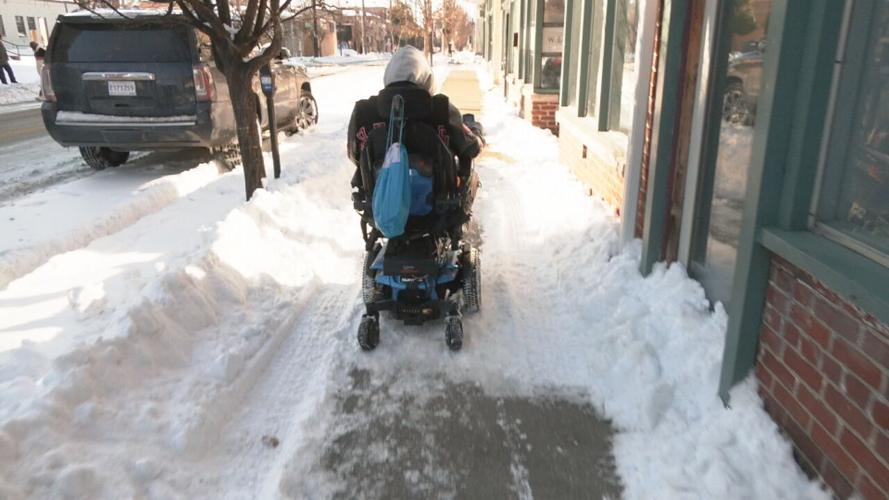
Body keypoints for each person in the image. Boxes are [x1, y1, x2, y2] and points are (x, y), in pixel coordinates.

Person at [347, 45, 481, 176]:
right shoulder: (442, 110)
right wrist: (475, 135)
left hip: (378, 190)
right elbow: (471, 148)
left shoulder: (364, 112)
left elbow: (355, 155)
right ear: (427, 78)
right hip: (437, 190)